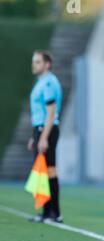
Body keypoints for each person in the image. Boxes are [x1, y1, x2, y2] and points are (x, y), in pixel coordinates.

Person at [27, 50, 63, 223]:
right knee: (43, 171)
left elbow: (50, 113)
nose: (34, 65)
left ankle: (55, 213)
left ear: (47, 64)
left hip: (47, 129)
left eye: (38, 62)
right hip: (40, 129)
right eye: (34, 61)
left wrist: (43, 137)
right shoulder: (41, 82)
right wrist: (35, 136)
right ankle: (46, 211)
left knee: (50, 170)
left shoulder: (48, 83)